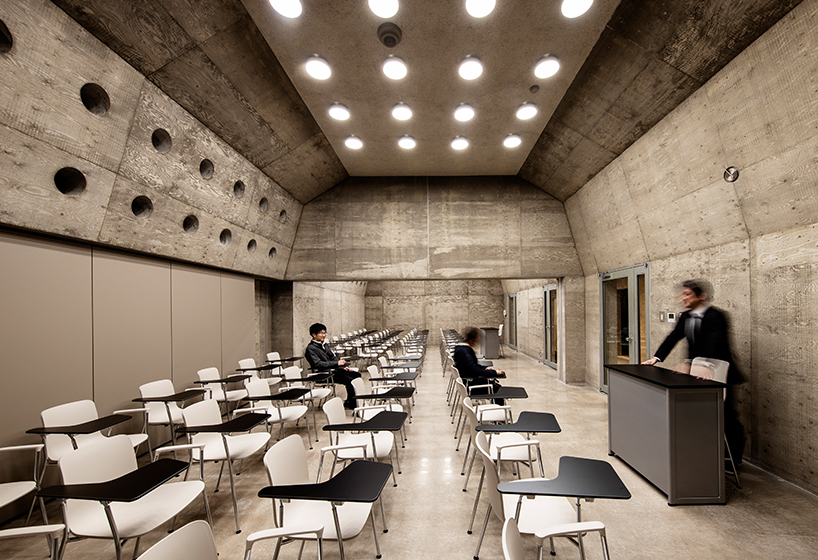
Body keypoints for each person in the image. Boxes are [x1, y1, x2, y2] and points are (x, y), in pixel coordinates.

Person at [642, 279, 745, 465]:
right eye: (683, 294)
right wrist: (656, 358)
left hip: (720, 373)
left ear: (701, 296)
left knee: (727, 416)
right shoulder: (686, 317)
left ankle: (734, 459)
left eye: (687, 294)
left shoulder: (717, 316)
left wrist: (699, 363)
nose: (683, 298)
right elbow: (672, 338)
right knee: (700, 413)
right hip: (698, 372)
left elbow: (714, 342)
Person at [305, 323, 362, 409]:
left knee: (356, 375)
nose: (323, 335)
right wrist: (336, 364)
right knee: (349, 380)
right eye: (321, 333)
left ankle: (352, 399)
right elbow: (317, 364)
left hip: (333, 370)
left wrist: (341, 366)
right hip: (323, 374)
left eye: (324, 333)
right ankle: (352, 404)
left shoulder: (324, 345)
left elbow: (332, 357)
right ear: (313, 334)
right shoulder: (311, 348)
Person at [453, 326, 506, 404]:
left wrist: (485, 368)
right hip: (470, 385)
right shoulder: (466, 352)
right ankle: (499, 411)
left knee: (494, 383)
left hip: (467, 381)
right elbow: (475, 370)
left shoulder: (460, 349)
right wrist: (494, 373)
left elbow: (473, 366)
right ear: (473, 339)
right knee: (497, 388)